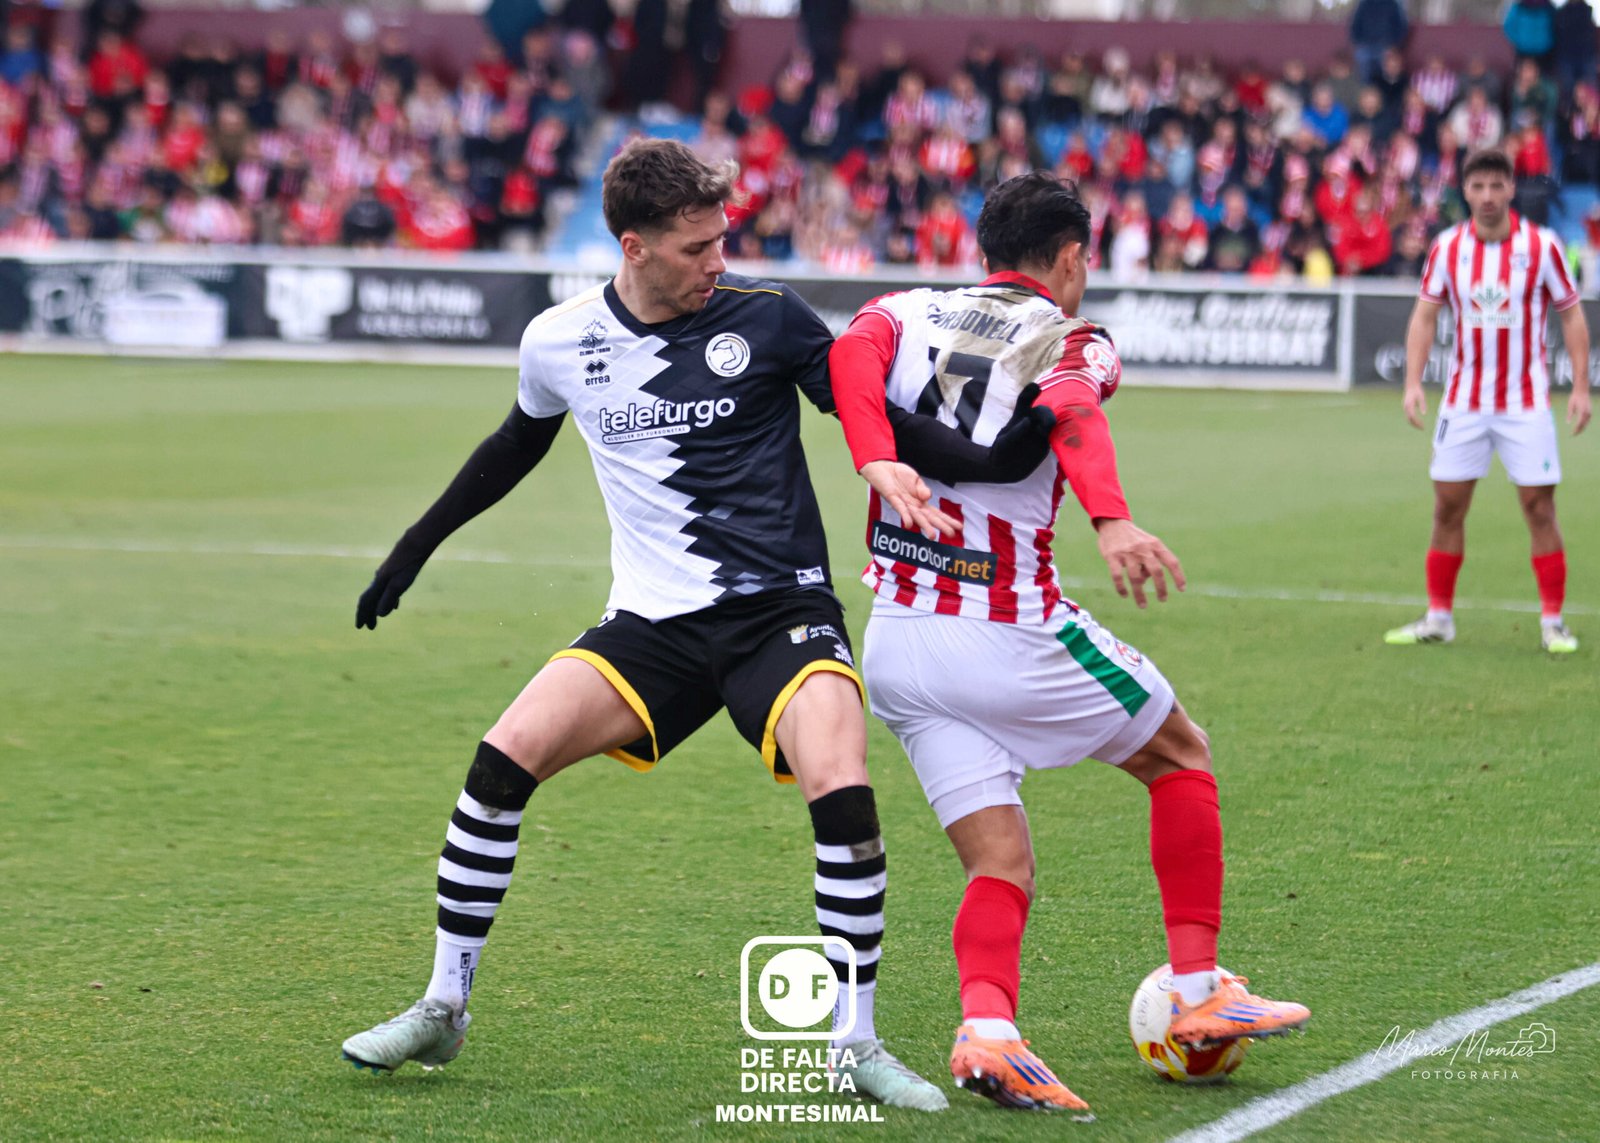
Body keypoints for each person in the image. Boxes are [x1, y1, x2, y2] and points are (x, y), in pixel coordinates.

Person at [336, 139, 1058, 1108]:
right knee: (500, 762)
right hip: (651, 625)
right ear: (632, 246)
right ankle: (442, 1005)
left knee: (841, 786)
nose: (718, 259)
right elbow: (515, 442)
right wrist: (413, 549)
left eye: (722, 239)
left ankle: (857, 1042)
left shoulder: (767, 319)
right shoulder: (560, 340)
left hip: (782, 612)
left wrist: (1017, 443)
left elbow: (869, 417)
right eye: (695, 247)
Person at [827, 171, 1311, 1115]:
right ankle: (1199, 987)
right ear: (1072, 258)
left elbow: (849, 355)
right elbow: (1078, 418)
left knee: (999, 859)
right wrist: (1115, 521)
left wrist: (873, 452)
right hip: (1009, 628)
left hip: (896, 643)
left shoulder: (903, 310)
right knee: (1182, 754)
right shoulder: (1072, 336)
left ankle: (991, 1033)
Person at [1387, 148, 1591, 653]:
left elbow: (1571, 315)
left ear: (1511, 188)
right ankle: (1439, 618)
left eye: (1496, 186)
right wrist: (1414, 382)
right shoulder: (1447, 247)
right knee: (1448, 507)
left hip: (1526, 403)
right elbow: (1424, 316)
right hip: (1464, 402)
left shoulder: (1542, 246)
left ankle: (1552, 622)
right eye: (1477, 187)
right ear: (1465, 191)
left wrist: (1582, 388)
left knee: (1539, 507)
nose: (1487, 196)